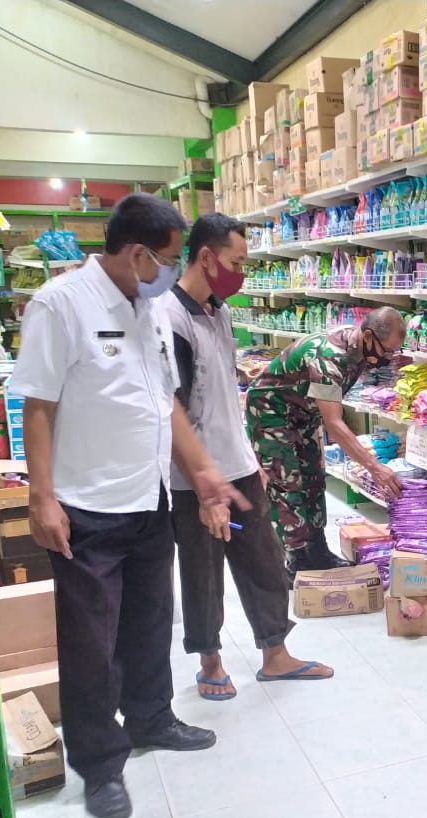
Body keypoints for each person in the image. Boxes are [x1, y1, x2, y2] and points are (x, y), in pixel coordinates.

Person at [15, 193, 248, 818]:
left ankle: (151, 718)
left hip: (148, 498)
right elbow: (38, 405)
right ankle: (100, 766)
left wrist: (202, 471)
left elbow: (165, 402)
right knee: (92, 643)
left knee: (150, 621)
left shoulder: (149, 309)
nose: (172, 272)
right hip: (86, 506)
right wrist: (42, 497)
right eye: (169, 260)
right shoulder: (61, 304)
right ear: (139, 254)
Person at [160, 213, 334, 700]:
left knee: (264, 560)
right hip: (194, 478)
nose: (241, 273)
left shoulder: (218, 311)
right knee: (203, 572)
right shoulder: (171, 319)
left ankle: (275, 654)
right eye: (236, 262)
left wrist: (247, 454)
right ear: (206, 257)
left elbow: (220, 393)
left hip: (237, 466)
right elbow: (173, 411)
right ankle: (210, 662)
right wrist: (203, 487)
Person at [246, 307, 407, 575]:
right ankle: (296, 559)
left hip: (303, 412)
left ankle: (317, 550)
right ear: (368, 336)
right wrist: (374, 467)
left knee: (313, 478)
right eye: (387, 351)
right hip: (271, 412)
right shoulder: (330, 358)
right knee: (288, 483)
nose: (388, 358)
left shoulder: (361, 349)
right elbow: (334, 423)